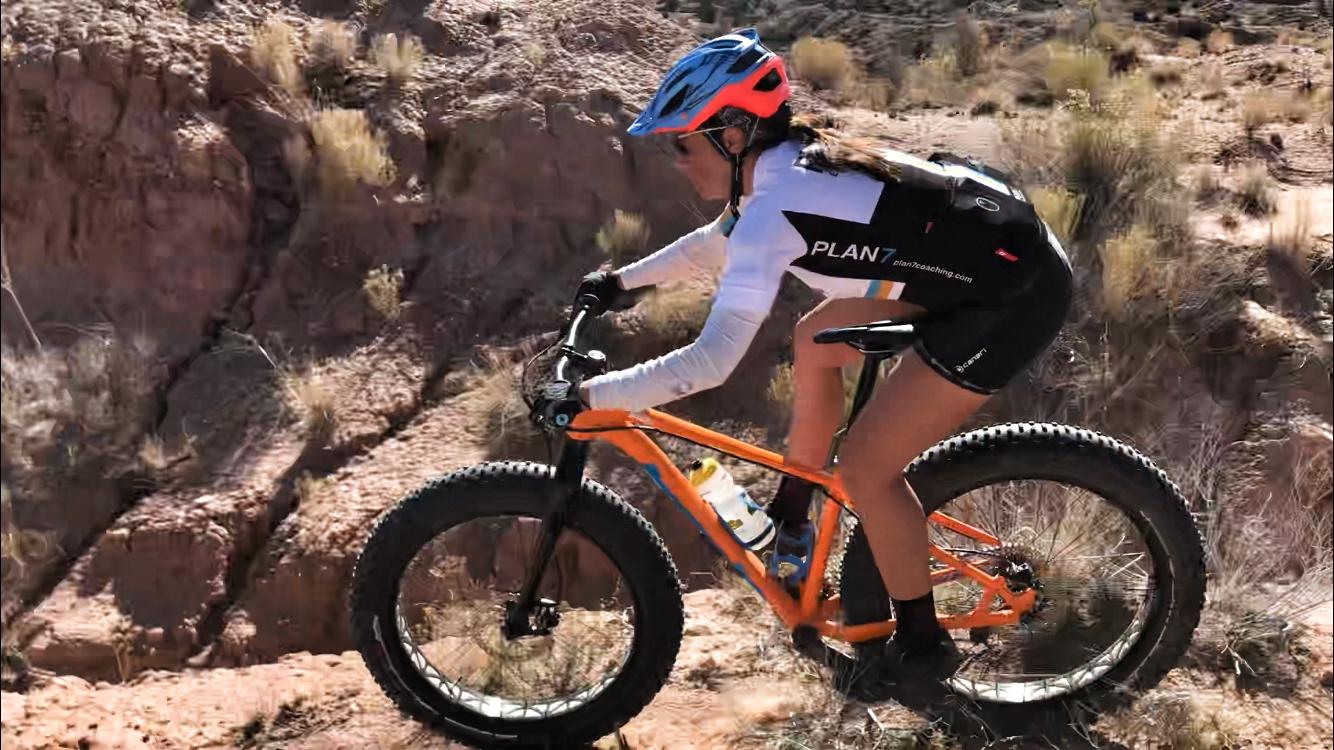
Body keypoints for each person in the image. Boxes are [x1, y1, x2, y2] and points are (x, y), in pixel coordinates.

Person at [570, 29, 1073, 685]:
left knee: (866, 466)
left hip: (1013, 291)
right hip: (969, 259)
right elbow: (714, 242)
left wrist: (594, 397)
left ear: (730, 132)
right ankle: (793, 514)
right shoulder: (776, 165)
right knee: (814, 338)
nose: (677, 160)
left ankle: (923, 645)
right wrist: (620, 283)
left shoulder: (773, 203)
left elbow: (714, 360)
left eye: (683, 143)